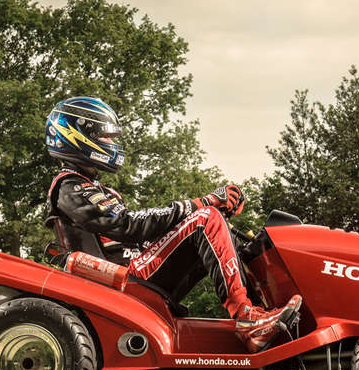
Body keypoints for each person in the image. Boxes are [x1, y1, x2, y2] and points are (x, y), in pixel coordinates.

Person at [43, 96, 301, 352]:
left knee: (218, 225)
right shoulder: (69, 186)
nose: (112, 144)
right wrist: (201, 204)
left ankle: (261, 315)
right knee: (206, 219)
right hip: (118, 281)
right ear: (77, 136)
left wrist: (213, 218)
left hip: (131, 275)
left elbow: (139, 235)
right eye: (105, 137)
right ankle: (247, 319)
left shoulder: (92, 188)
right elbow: (128, 226)